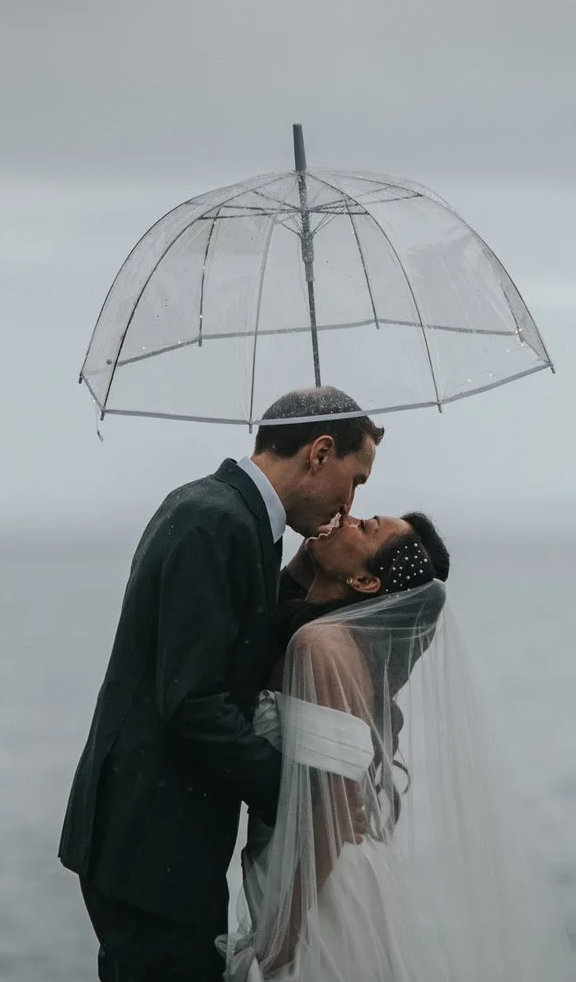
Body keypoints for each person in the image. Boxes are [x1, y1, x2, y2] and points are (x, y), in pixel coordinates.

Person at [61, 387, 384, 982]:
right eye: (356, 479)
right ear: (319, 453)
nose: (351, 501)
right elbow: (193, 703)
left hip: (166, 840)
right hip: (148, 845)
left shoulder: (241, 521)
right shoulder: (213, 520)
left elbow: (234, 657)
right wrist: (297, 802)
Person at [232, 511, 570, 981]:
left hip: (316, 891)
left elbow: (332, 811)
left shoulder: (319, 646)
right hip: (320, 875)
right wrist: (309, 559)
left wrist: (277, 944)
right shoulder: (337, 643)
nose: (346, 518)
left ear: (366, 581)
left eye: (365, 527)